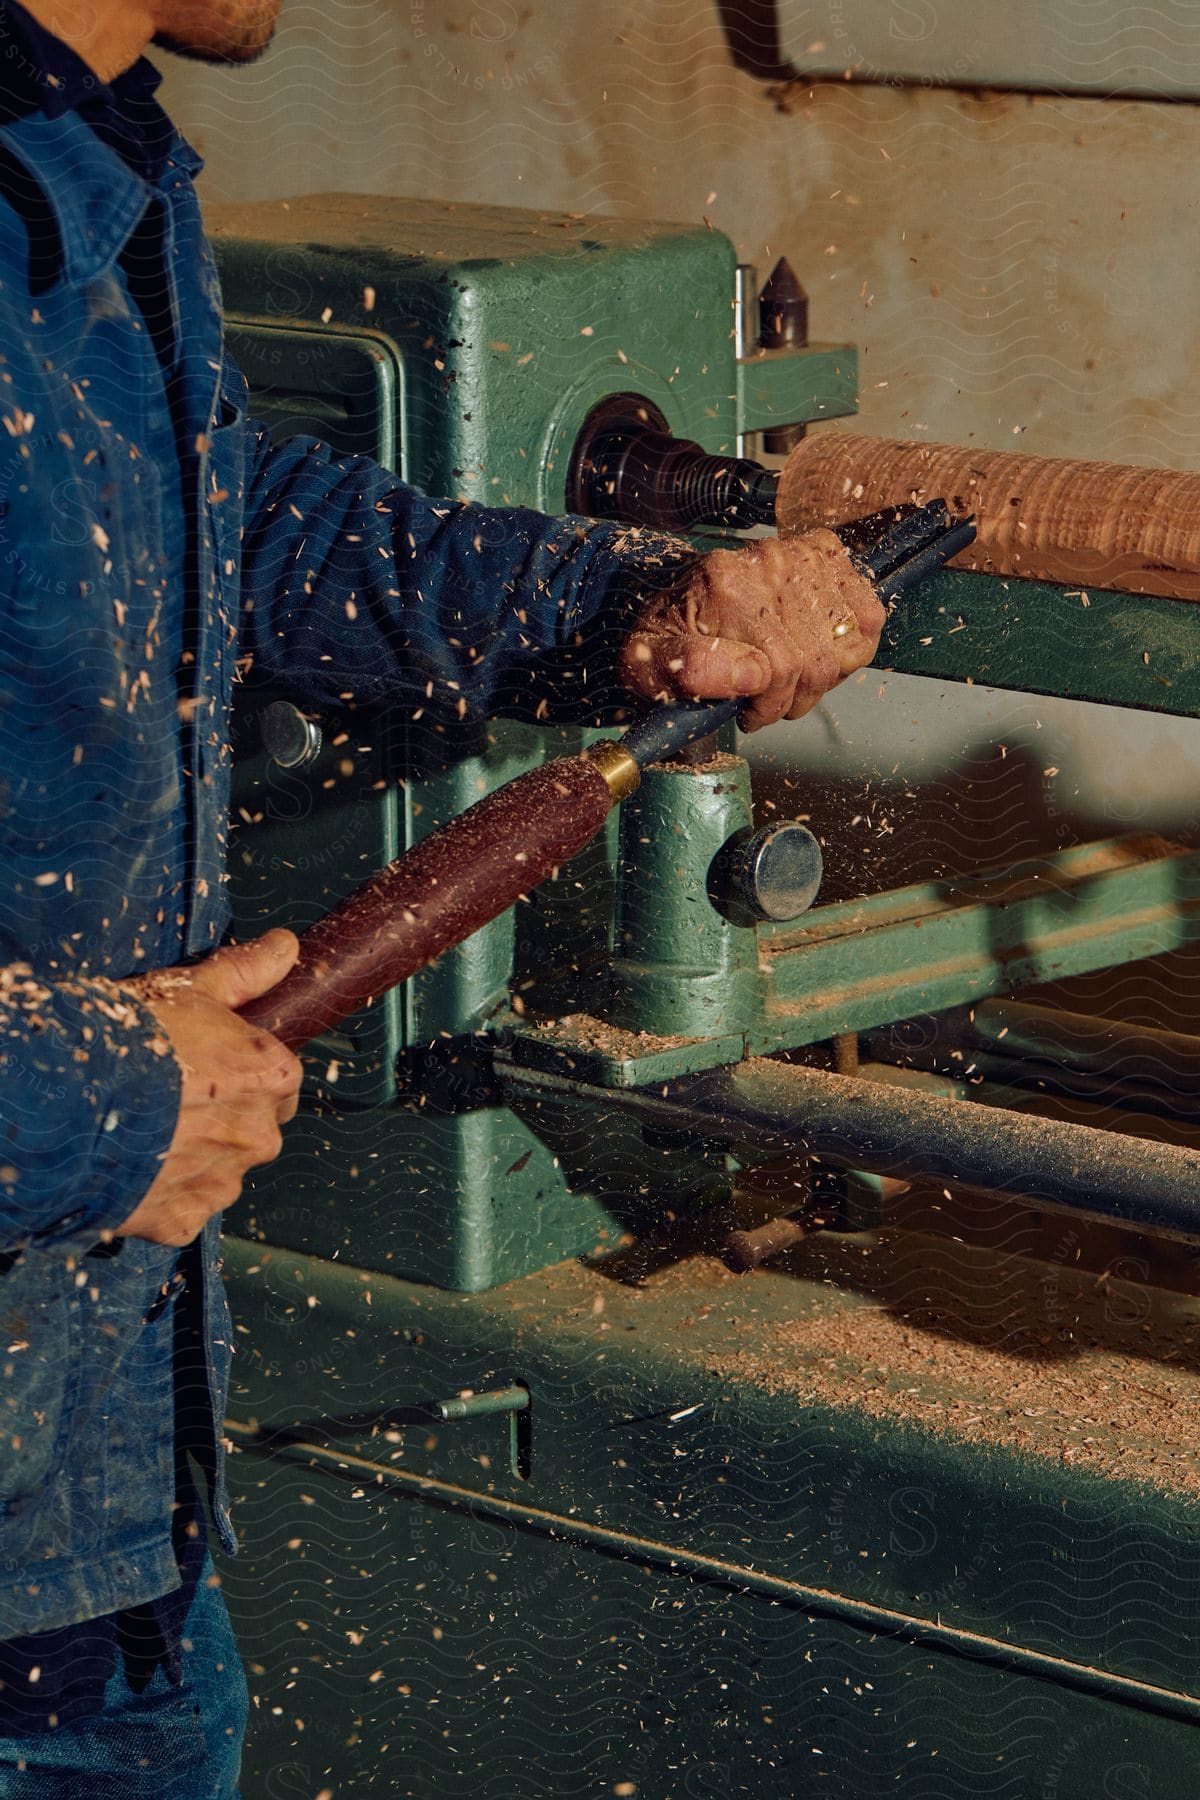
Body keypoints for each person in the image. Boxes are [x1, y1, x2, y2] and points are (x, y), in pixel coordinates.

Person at [0, 0, 885, 1791]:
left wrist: (623, 608)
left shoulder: (88, 161)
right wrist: (98, 1106)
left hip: (80, 1508)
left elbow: (220, 522)